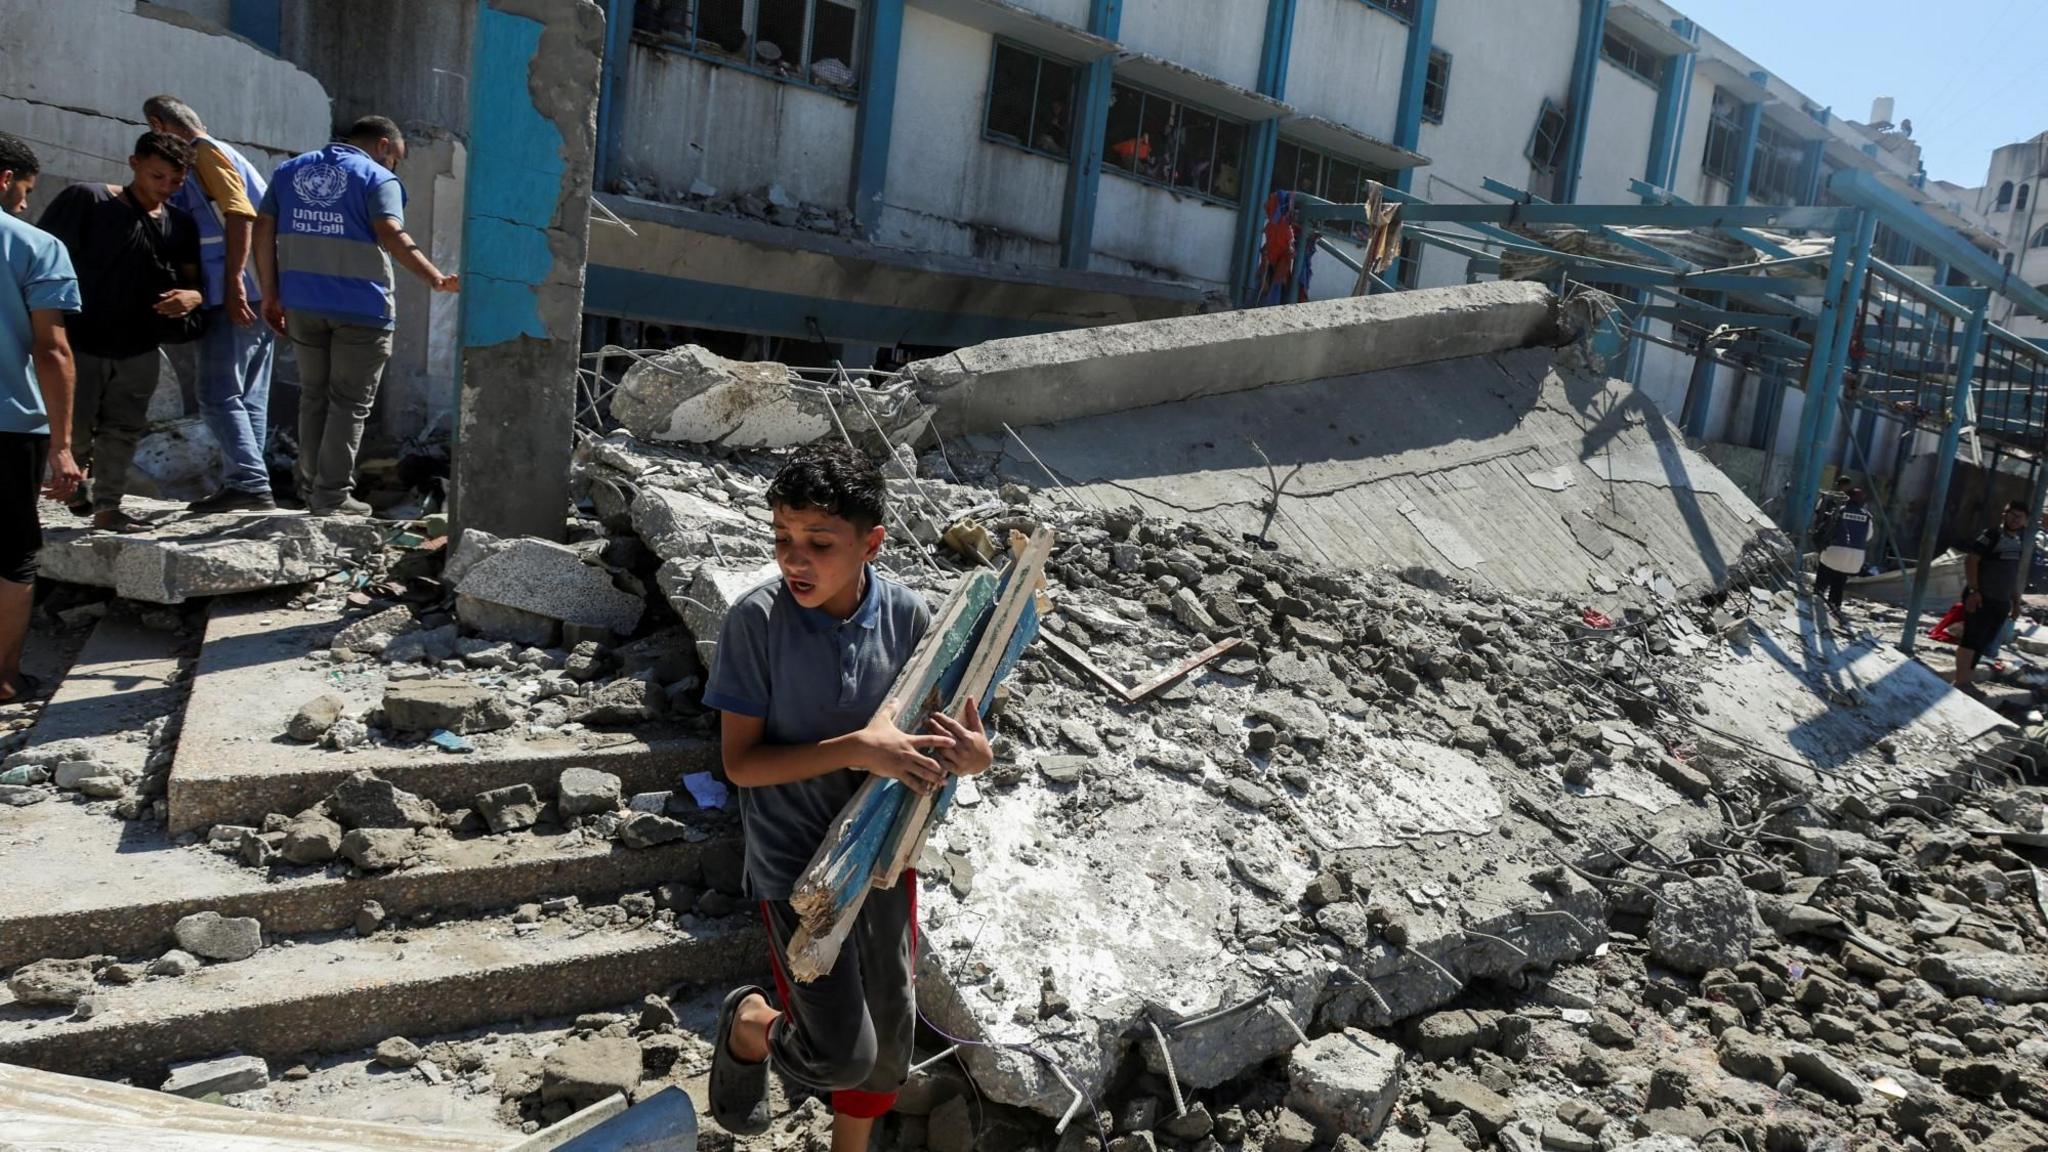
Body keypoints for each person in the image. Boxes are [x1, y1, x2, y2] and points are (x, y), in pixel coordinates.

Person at [702, 442, 992, 1151]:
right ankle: (749, 1024)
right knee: (838, 1051)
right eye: (782, 540)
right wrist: (859, 749)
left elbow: (945, 738)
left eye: (819, 543)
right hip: (799, 870)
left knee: (889, 1041)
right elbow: (741, 765)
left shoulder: (909, 616)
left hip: (886, 850)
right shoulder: (756, 624)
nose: (794, 559)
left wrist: (973, 759)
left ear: (872, 544)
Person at [255, 115, 456, 516]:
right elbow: (391, 232)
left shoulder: (291, 171)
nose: (394, 166)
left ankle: (311, 490)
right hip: (361, 309)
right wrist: (435, 278)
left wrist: (270, 293)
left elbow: (263, 229)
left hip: (303, 303)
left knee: (313, 397)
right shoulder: (377, 178)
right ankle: (331, 498)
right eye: (395, 158)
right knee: (348, 404)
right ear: (383, 145)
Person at [36, 131, 202, 533]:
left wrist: (191, 298)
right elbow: (42, 262)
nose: (165, 188)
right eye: (157, 177)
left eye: (175, 182)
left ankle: (108, 509)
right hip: (80, 342)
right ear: (134, 164)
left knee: (123, 432)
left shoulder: (179, 225)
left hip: (140, 347)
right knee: (70, 432)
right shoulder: (88, 201)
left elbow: (196, 283)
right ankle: (69, 491)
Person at [144, 95, 276, 513]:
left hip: (231, 291)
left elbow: (239, 214)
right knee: (247, 396)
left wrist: (234, 281)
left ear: (157, 125)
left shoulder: (204, 154)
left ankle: (249, 483)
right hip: (257, 288)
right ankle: (250, 483)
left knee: (217, 394)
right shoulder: (230, 154)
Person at [0, 133, 83, 704]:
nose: (27, 203)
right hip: (9, 425)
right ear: (5, 178)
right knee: (10, 553)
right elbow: (51, 350)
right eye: (25, 190)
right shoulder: (35, 245)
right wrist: (64, 444)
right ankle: (2, 678)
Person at [1955, 498, 2029, 694]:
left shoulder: (2017, 541)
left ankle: (1967, 682)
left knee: (1981, 642)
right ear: (2004, 515)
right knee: (1971, 638)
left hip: (2001, 601)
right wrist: (1973, 591)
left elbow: (2011, 574)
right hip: (1982, 598)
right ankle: (1960, 681)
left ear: (2025, 521)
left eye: (2019, 517)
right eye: (2011, 515)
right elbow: (1971, 560)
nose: (2014, 519)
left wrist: (2015, 603)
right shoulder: (1992, 535)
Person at [1812, 486, 1872, 613]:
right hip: (1855, 557)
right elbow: (1868, 536)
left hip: (1835, 550)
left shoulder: (1839, 511)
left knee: (1824, 566)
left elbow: (1827, 529)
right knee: (1840, 577)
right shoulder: (1867, 516)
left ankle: (1818, 593)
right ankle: (1835, 604)